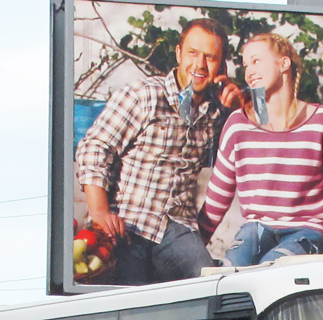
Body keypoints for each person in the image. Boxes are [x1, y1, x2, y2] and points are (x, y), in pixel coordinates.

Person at [75, 19, 242, 285]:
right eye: (193, 53)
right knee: (131, 297)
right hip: (128, 222)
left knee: (212, 284)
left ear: (221, 67)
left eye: (210, 58)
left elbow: (247, 155)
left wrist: (243, 109)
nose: (199, 65)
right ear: (178, 54)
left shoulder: (218, 113)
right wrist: (99, 212)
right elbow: (95, 147)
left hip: (177, 228)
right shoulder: (143, 95)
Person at [198, 33, 323, 265]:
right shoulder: (238, 124)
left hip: (312, 230)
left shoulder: (321, 122)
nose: (249, 72)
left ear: (284, 64)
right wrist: (194, 249)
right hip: (257, 229)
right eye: (246, 65)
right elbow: (218, 196)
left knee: (275, 269)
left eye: (256, 61)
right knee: (231, 271)